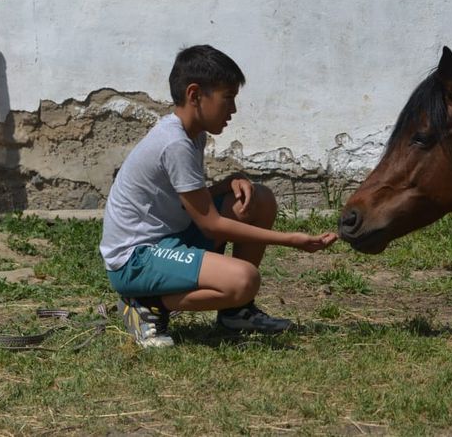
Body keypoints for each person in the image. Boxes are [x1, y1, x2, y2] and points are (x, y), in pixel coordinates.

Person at [99, 45, 336, 348]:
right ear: (195, 94)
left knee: (259, 199)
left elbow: (188, 202)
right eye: (228, 98)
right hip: (135, 260)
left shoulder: (192, 134)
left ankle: (235, 313)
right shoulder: (175, 143)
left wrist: (226, 184)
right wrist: (291, 240)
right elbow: (210, 224)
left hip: (169, 238)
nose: (233, 110)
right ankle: (146, 304)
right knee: (244, 280)